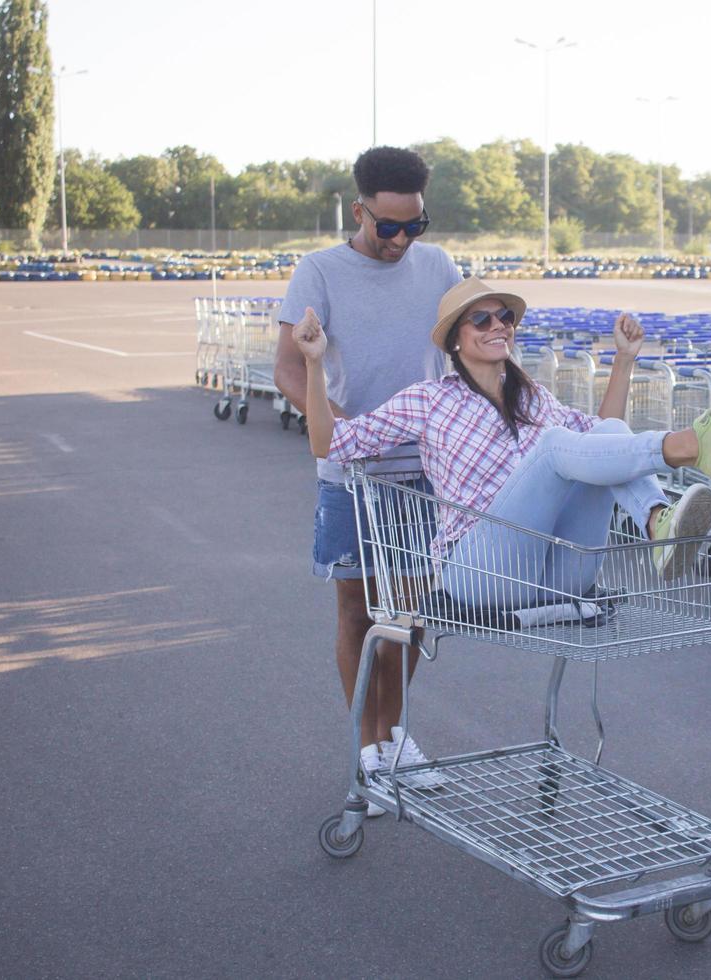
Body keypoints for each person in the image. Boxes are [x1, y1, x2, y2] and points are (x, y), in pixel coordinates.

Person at [288, 277, 711, 621]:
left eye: (505, 316)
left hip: (554, 572)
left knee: (606, 432)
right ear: (455, 339)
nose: (498, 325)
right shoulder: (429, 399)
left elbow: (604, 436)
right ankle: (691, 445)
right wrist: (313, 364)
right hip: (478, 572)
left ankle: (658, 523)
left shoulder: (533, 396)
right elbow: (331, 443)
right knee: (558, 446)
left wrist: (623, 360)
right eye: (481, 319)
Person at [273, 146, 460, 814]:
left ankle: (394, 734)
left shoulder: (438, 267)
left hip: (422, 471)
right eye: (388, 227)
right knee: (357, 610)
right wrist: (353, 428)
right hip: (350, 470)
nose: (402, 240)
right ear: (359, 212)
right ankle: (367, 748)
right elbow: (290, 372)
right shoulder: (318, 271)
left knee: (408, 615)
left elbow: (470, 350)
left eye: (415, 225)